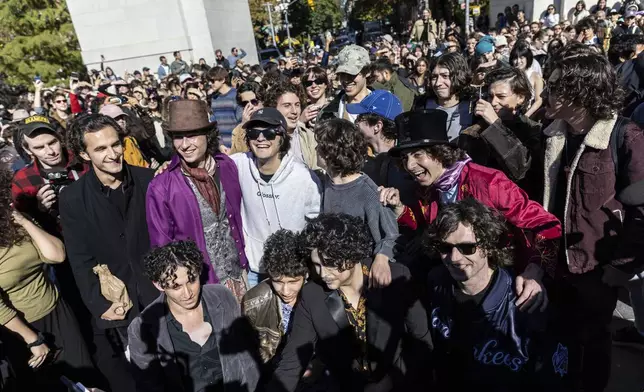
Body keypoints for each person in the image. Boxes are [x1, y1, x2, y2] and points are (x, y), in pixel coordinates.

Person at [378, 109, 561, 308]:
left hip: (506, 282)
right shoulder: (428, 189)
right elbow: (427, 226)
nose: (410, 165)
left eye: (418, 155)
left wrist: (535, 269)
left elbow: (547, 225)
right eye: (405, 158)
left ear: (440, 152)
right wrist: (400, 209)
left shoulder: (489, 183)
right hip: (459, 278)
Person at [542, 43, 644, 392]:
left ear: (581, 89)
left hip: (597, 270)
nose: (547, 93)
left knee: (594, 345)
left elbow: (642, 209)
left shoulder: (624, 135)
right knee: (561, 342)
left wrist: (622, 265)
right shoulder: (553, 134)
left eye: (555, 86)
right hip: (556, 263)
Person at [267, 213, 432, 392]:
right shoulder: (312, 295)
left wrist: (393, 380)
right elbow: (292, 362)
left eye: (330, 264)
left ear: (352, 255)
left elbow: (421, 341)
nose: (322, 274)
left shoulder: (396, 277)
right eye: (316, 264)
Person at [60, 114, 159, 392]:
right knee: (143, 375)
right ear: (83, 153)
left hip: (161, 295)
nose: (113, 154)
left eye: (115, 144)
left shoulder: (150, 180)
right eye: (101, 149)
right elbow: (80, 259)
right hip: (119, 304)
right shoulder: (72, 198)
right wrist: (101, 305)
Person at [426, 198, 566, 391]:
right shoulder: (436, 284)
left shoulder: (525, 303)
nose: (455, 258)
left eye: (467, 247)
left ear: (488, 245)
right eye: (445, 248)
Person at [0, 168, 96, 392]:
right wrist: (32, 339)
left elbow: (56, 255)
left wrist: (24, 221)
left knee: (88, 381)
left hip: (58, 311)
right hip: (21, 329)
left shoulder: (12, 222)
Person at [146, 99, 248, 301]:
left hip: (240, 275)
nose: (185, 145)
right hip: (200, 287)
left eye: (192, 136)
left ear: (207, 135)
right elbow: (162, 247)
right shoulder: (161, 186)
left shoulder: (227, 166)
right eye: (178, 137)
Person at [128, 240, 260, 392]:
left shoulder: (222, 297)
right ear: (159, 285)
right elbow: (149, 387)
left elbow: (247, 359)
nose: (187, 293)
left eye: (192, 280)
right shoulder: (142, 327)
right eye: (176, 286)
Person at [230, 108, 321, 288]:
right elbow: (207, 165)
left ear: (282, 136)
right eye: (254, 132)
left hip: (292, 271)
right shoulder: (238, 164)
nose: (261, 138)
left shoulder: (304, 177)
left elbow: (316, 221)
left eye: (269, 132)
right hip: (254, 269)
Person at [316, 118, 398, 288]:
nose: (316, 149)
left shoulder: (368, 192)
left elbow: (390, 234)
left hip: (359, 279)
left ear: (331, 151)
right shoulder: (326, 182)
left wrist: (382, 258)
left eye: (320, 146)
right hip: (331, 273)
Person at [464, 67, 543, 201]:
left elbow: (522, 169)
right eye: (490, 96)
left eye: (501, 97)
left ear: (520, 98)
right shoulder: (475, 131)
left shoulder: (533, 130)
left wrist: (495, 125)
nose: (493, 102)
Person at [11, 115, 87, 235]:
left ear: (60, 138)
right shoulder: (23, 179)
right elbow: (21, 222)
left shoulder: (84, 161)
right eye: (39, 147)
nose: (50, 152)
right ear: (28, 150)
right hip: (61, 241)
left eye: (52, 143)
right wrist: (39, 209)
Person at [242, 229, 308, 363]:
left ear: (305, 275)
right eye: (278, 282)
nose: (285, 291)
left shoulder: (316, 295)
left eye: (293, 282)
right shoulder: (253, 303)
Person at [415, 52, 474, 142]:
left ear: (459, 76)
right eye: (434, 77)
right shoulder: (420, 105)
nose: (438, 83)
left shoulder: (474, 107)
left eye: (445, 76)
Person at [264, 82, 319, 170]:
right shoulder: (262, 138)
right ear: (273, 109)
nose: (294, 111)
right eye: (287, 105)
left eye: (297, 105)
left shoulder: (308, 136)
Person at [319, 45, 371, 124]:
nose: (346, 80)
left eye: (352, 73)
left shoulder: (385, 105)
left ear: (367, 72)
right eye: (342, 74)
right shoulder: (327, 114)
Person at [207, 66, 242, 147]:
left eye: (212, 81)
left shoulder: (236, 95)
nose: (209, 83)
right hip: (222, 147)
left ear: (222, 80)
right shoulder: (213, 98)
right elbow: (214, 124)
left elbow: (241, 123)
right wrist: (220, 144)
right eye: (209, 81)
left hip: (238, 145)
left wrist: (236, 145)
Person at [509, 40, 543, 117]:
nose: (518, 61)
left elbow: (539, 100)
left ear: (528, 59)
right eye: (515, 58)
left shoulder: (535, 76)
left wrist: (526, 116)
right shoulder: (509, 74)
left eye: (521, 58)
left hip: (527, 114)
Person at [230, 81, 265, 154]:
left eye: (254, 102)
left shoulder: (274, 122)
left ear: (263, 101)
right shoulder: (237, 131)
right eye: (245, 103)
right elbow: (237, 157)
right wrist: (244, 127)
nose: (250, 106)